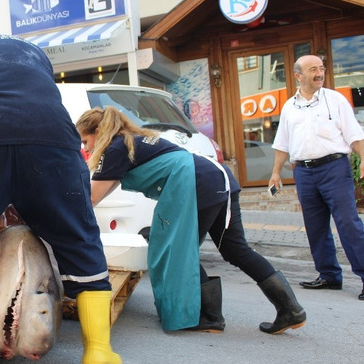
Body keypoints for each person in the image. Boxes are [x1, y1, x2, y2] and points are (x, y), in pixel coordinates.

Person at [0, 19, 121, 364]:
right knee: (79, 237)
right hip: (52, 136)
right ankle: (99, 351)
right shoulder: (32, 51)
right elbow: (34, 102)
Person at [76, 106, 306, 334]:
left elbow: (93, 196)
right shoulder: (131, 140)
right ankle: (290, 309)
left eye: (85, 141)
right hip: (218, 178)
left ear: (98, 131)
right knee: (235, 250)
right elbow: (106, 186)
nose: (85, 148)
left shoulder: (115, 148)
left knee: (175, 248)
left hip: (198, 184)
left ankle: (210, 316)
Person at [269, 54, 364, 301]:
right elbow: (282, 144)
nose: (319, 73)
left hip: (334, 169)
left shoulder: (335, 100)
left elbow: (354, 134)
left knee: (348, 224)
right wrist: (276, 172)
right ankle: (329, 275)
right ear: (298, 75)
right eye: (313, 69)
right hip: (304, 172)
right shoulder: (289, 106)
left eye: (321, 68)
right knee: (315, 227)